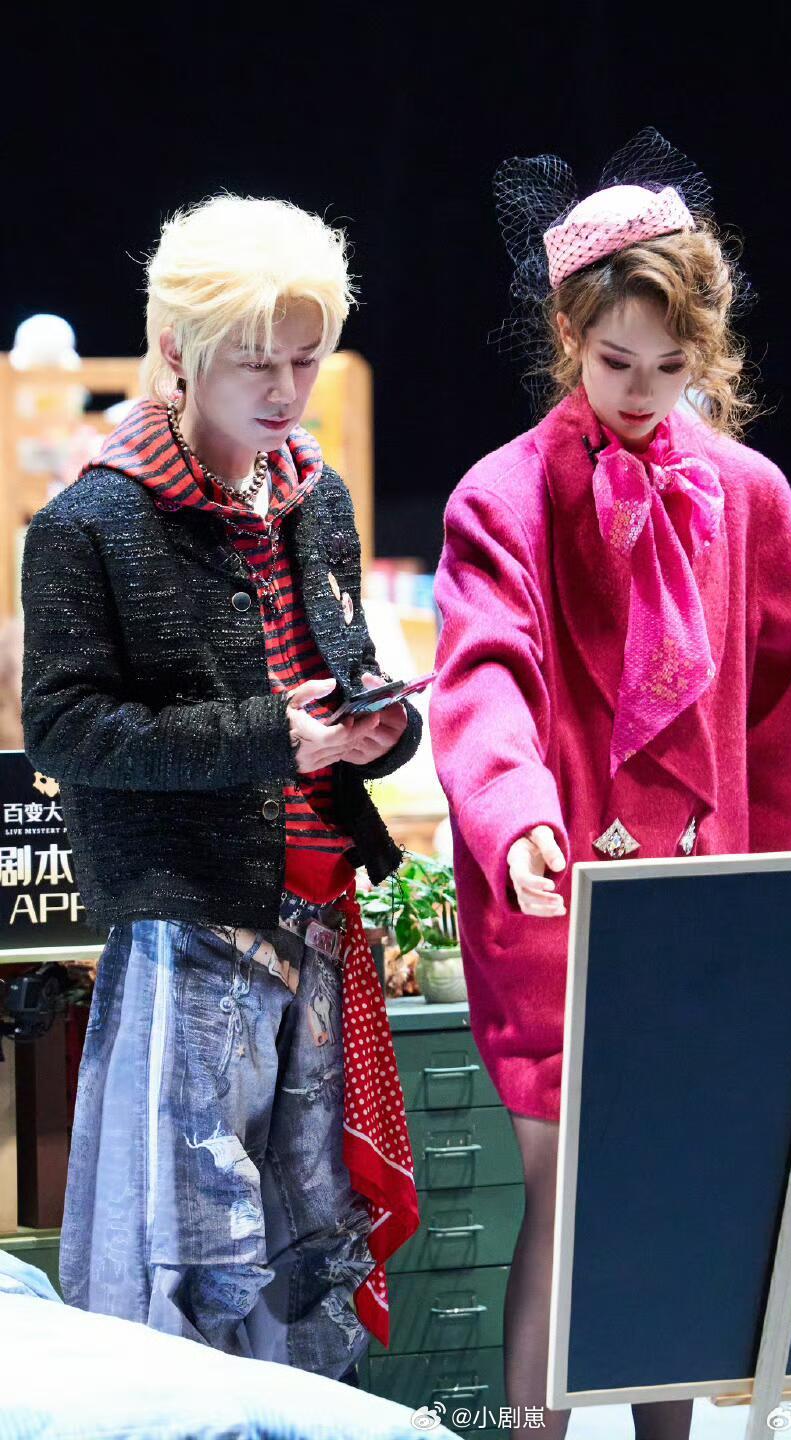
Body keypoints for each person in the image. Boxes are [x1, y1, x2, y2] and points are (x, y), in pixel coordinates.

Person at [430, 131, 791, 1438]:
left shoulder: (751, 496)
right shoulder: (505, 495)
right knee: (563, 1196)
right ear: (567, 338)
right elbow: (486, 674)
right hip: (554, 894)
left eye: (669, 366)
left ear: (706, 353)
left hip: (701, 900)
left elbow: (779, 714)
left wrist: (764, 891)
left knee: (673, 1196)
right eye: (615, 363)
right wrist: (513, 815)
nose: (643, 391)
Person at [20, 195, 421, 1378]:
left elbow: (345, 675)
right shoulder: (93, 521)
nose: (287, 388)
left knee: (314, 1232)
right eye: (257, 361)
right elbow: (65, 728)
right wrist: (267, 737)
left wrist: (382, 731)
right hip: (190, 919)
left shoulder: (314, 498)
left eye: (306, 357)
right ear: (179, 349)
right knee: (185, 1243)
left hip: (320, 913)